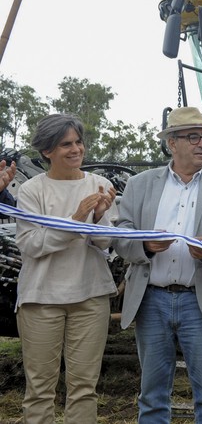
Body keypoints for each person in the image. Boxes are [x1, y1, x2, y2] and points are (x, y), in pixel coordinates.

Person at [114, 106, 202, 423]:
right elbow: (119, 234)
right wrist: (144, 245)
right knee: (153, 396)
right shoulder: (140, 184)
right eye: (193, 137)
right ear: (172, 143)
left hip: (201, 302)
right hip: (152, 300)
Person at [14, 114, 118, 423]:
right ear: (47, 151)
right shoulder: (32, 190)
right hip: (41, 299)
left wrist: (99, 218)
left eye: (78, 142)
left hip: (91, 297)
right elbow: (31, 245)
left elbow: (105, 245)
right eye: (65, 144)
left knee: (85, 388)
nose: (75, 149)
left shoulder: (101, 185)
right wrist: (76, 220)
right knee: (40, 389)